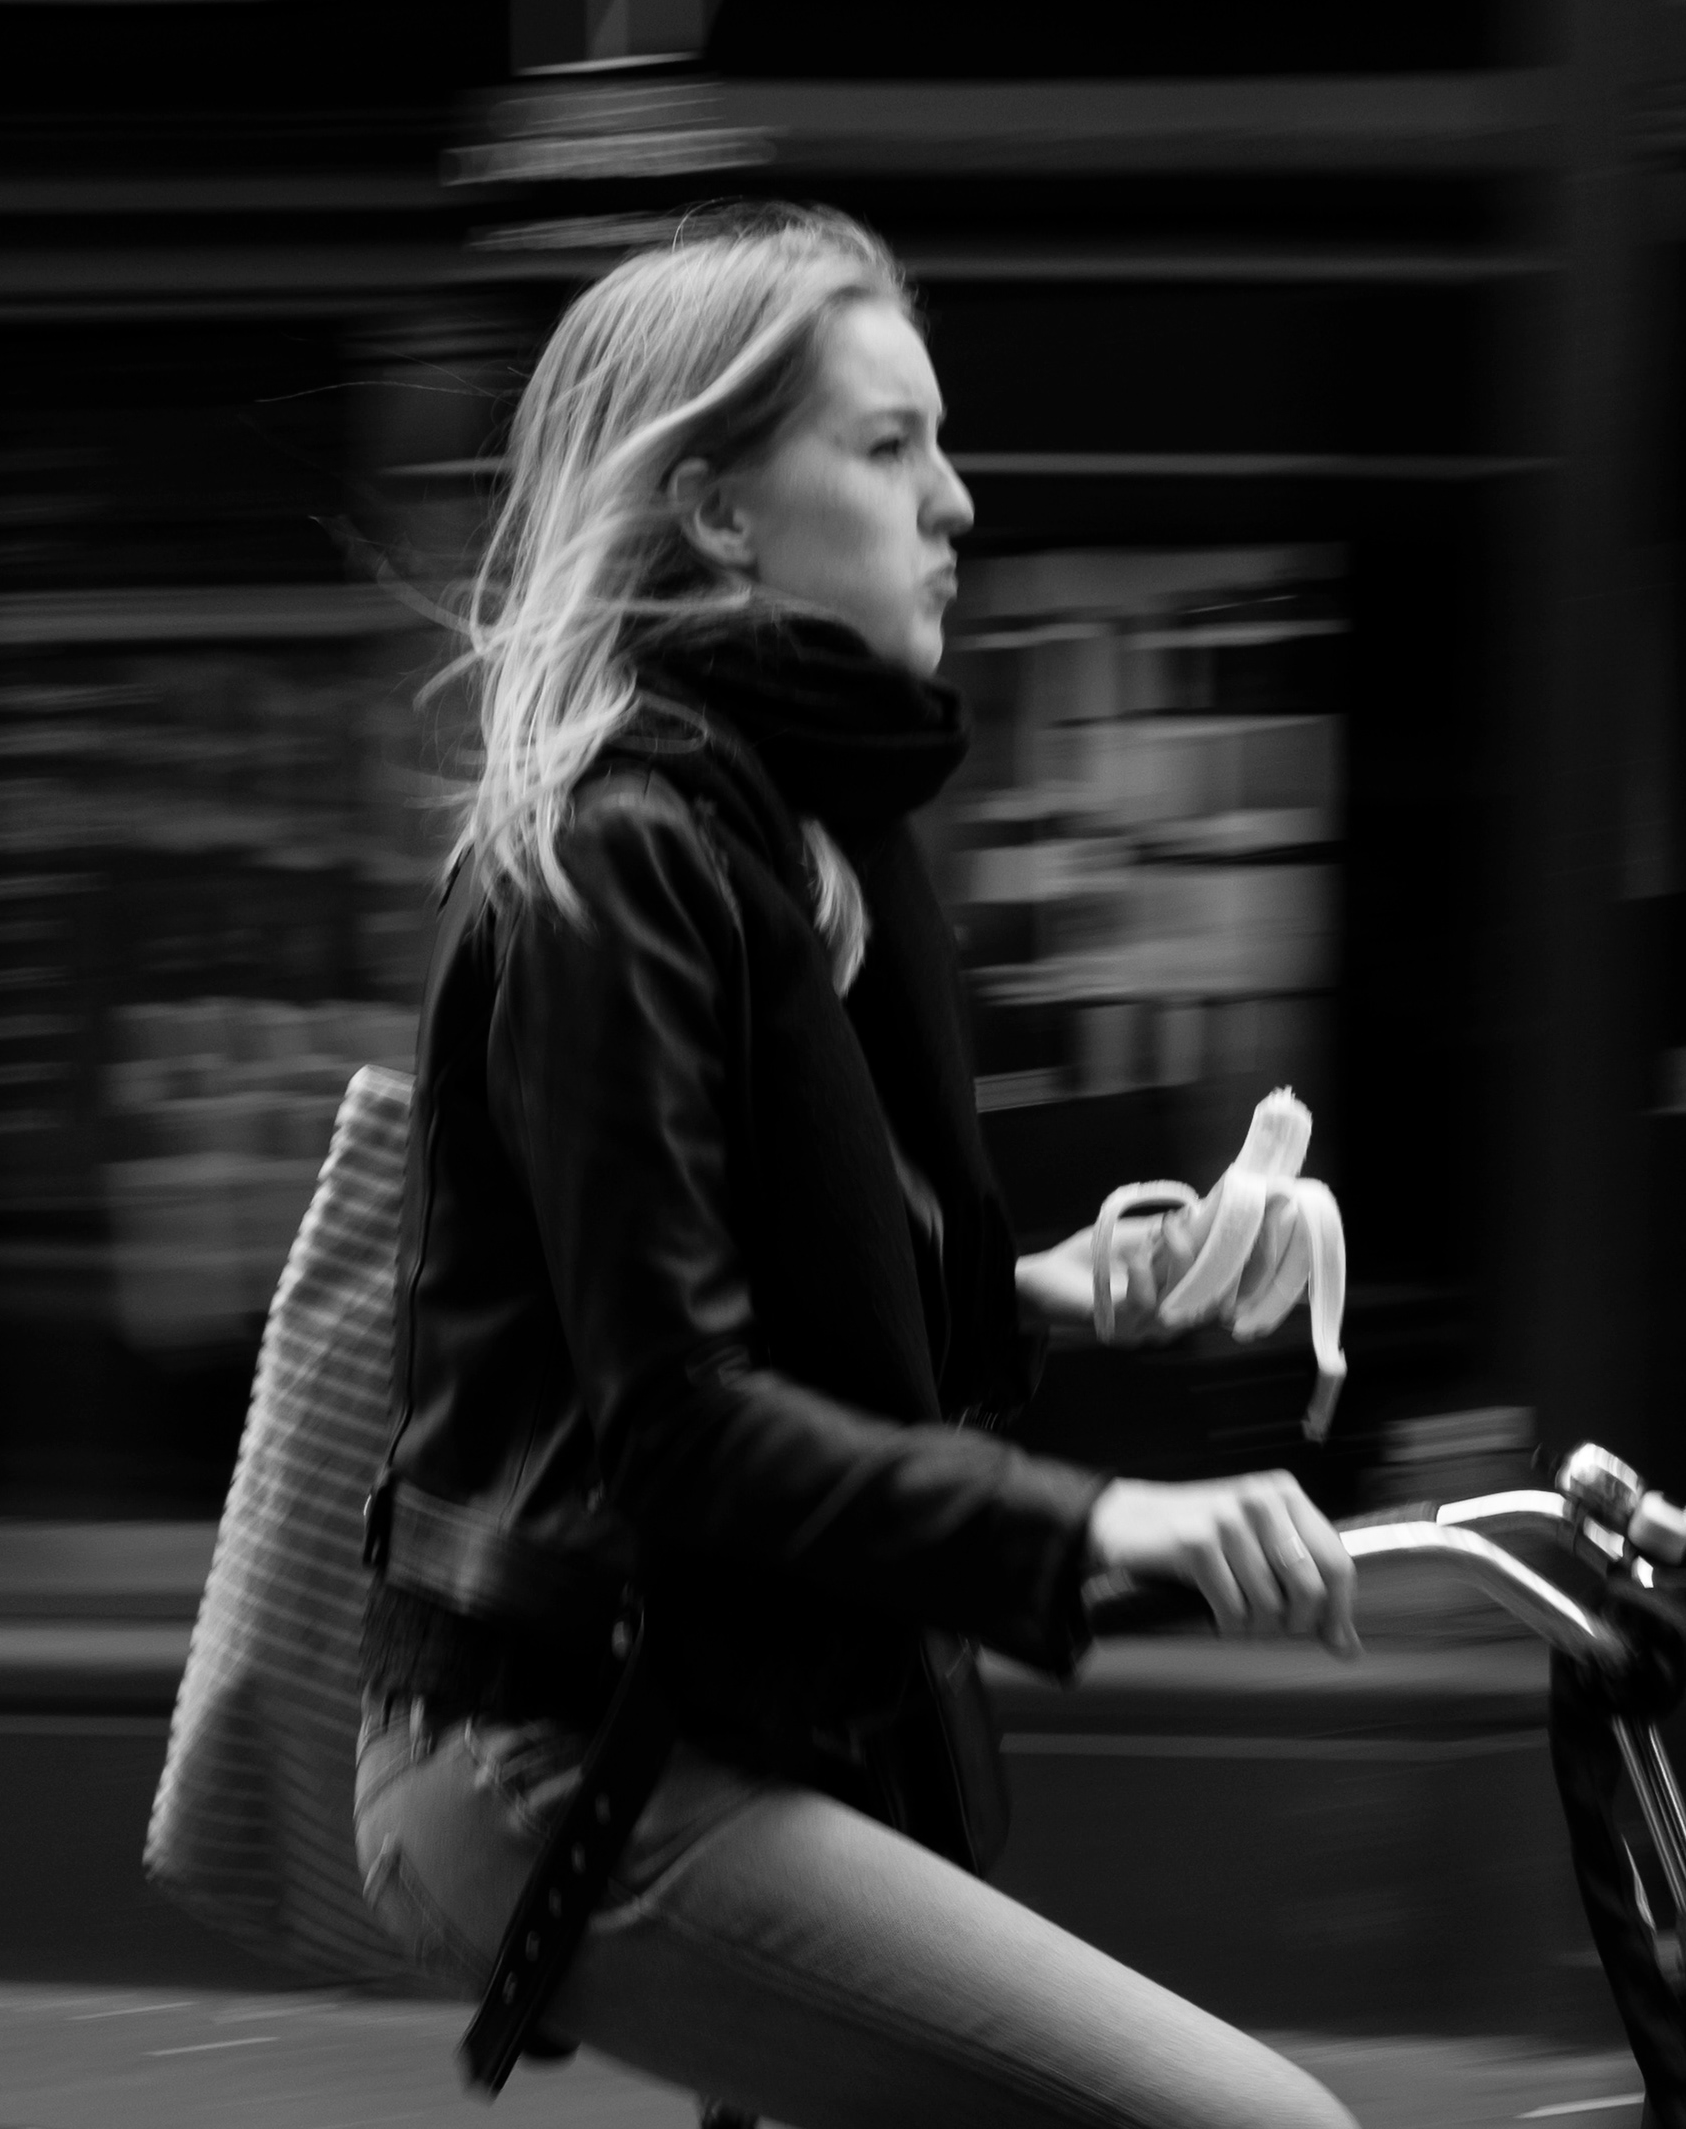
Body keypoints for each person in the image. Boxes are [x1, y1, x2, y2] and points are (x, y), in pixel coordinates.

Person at [351, 205, 1367, 2129]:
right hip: (564, 1750)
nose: (955, 504)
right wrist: (1103, 1526)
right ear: (720, 515)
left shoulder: (813, 839)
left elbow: (795, 1296)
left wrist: (1056, 1291)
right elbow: (680, 1422)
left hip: (747, 1701)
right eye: (890, 447)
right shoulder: (620, 858)